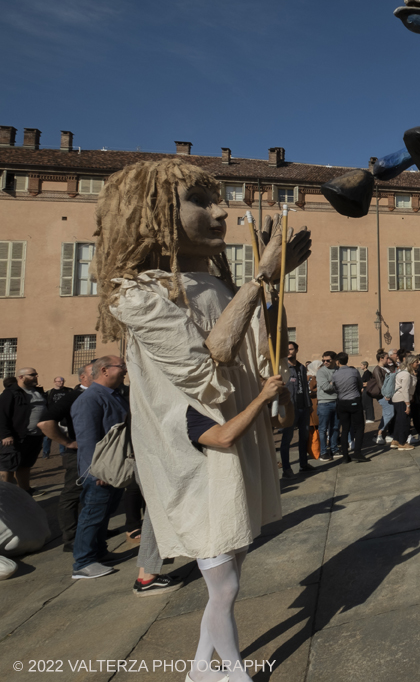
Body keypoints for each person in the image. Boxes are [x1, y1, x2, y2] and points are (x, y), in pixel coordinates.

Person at [93, 159, 306, 682]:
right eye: (201, 201)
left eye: (220, 200)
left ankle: (198, 670)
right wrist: (260, 278)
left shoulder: (215, 283)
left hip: (234, 440)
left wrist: (270, 285)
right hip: (194, 453)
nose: (221, 211)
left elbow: (258, 350)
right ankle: (229, 673)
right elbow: (208, 362)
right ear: (153, 213)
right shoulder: (137, 292)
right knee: (226, 584)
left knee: (231, 572)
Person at [70, 356, 131, 579]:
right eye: (121, 366)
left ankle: (99, 552)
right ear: (105, 370)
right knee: (92, 515)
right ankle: (83, 562)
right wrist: (97, 471)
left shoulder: (113, 395)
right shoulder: (90, 399)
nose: (125, 370)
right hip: (99, 472)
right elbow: (87, 440)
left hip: (113, 468)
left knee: (105, 512)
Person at [41, 361, 90, 552]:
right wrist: (67, 442)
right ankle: (70, 537)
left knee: (92, 494)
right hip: (76, 454)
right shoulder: (73, 396)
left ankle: (90, 530)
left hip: (96, 453)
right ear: (83, 377)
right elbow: (45, 422)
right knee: (72, 494)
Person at [0, 366, 47, 493]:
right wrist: (5, 435)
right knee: (8, 466)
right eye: (32, 374)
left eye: (36, 374)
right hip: (16, 437)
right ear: (21, 377)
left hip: (34, 437)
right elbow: (2, 415)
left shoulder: (38, 392)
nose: (36, 376)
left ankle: (25, 491)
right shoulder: (10, 393)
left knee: (25, 465)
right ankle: (5, 493)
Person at [280, 341, 313, 477]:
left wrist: (309, 404)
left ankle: (303, 464)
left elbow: (305, 387)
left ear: (297, 350)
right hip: (290, 409)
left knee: (304, 437)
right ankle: (287, 469)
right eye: (286, 349)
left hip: (303, 407)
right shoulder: (283, 368)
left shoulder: (301, 367)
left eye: (291, 349)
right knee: (287, 439)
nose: (289, 352)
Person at [334, 353, 369, 462]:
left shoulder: (335, 374)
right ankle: (357, 452)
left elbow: (334, 388)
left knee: (345, 428)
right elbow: (360, 384)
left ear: (337, 362)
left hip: (342, 402)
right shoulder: (354, 371)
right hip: (354, 400)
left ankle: (345, 455)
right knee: (359, 427)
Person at [388, 358, 419, 449]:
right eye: (416, 362)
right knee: (404, 422)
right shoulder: (406, 375)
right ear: (411, 363)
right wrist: (408, 405)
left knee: (399, 420)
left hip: (398, 399)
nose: (418, 363)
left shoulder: (402, 372)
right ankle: (402, 443)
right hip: (402, 399)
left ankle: (396, 440)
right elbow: (405, 390)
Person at [314, 350, 339, 459]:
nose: (325, 362)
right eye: (323, 360)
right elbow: (326, 387)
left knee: (335, 427)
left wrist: (332, 383)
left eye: (328, 360)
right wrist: (337, 384)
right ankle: (323, 452)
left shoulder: (338, 370)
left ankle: (334, 449)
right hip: (324, 403)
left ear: (334, 360)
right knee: (323, 429)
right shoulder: (321, 372)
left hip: (337, 402)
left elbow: (335, 385)